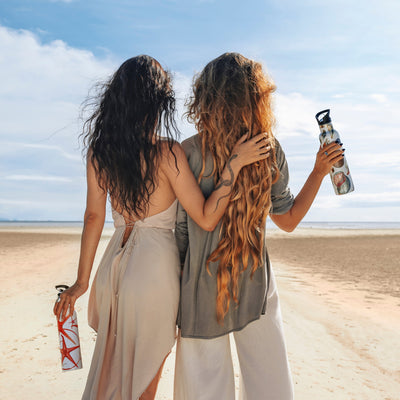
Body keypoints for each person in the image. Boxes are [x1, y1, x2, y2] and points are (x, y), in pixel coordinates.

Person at [53, 55, 270, 400]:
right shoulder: (167, 153)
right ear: (157, 103)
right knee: (143, 384)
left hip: (112, 272)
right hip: (153, 274)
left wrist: (81, 283)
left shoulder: (100, 153)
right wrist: (236, 163)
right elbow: (206, 216)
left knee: (111, 374)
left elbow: (93, 218)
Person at [174, 52, 344, 400]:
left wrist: (319, 169)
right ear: (256, 97)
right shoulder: (268, 148)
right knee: (272, 388)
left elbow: (179, 237)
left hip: (200, 289)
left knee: (203, 390)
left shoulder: (188, 153)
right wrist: (317, 172)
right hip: (255, 285)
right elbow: (289, 219)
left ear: (207, 98)